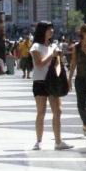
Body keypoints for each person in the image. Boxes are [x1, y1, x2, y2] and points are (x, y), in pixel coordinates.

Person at [29, 21, 73, 151]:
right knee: (41, 112)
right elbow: (39, 64)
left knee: (58, 111)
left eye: (52, 29)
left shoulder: (54, 45)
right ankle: (38, 141)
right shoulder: (35, 46)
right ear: (43, 31)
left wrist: (58, 60)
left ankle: (58, 141)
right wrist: (51, 55)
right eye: (49, 29)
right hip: (40, 82)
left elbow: (57, 63)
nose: (52, 31)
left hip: (53, 81)